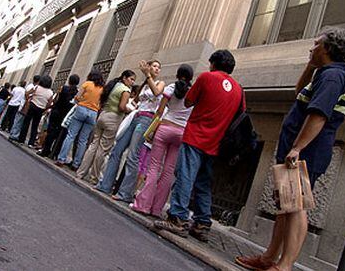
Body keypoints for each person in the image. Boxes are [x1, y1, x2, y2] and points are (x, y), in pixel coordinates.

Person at [235, 27, 345, 271]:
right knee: (285, 206)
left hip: (307, 151)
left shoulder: (332, 76)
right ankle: (269, 259)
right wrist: (310, 67)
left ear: (328, 49)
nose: (311, 48)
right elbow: (299, 93)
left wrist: (297, 147)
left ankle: (285, 265)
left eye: (316, 44)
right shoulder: (324, 74)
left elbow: (318, 115)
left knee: (295, 206)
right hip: (298, 149)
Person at [154, 50, 243, 242]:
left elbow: (188, 101)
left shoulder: (206, 77)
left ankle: (177, 218)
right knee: (203, 182)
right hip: (216, 142)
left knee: (185, 175)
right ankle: (202, 223)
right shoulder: (238, 89)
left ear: (213, 64)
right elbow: (239, 114)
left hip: (195, 135)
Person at [96, 60, 166, 203]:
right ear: (148, 67)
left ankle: (125, 193)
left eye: (159, 67)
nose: (157, 69)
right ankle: (105, 185)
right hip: (136, 117)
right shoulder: (143, 86)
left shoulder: (160, 83)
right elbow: (134, 102)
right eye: (154, 66)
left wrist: (148, 75)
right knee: (117, 149)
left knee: (133, 155)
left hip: (146, 119)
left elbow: (157, 93)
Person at [132, 64, 194, 218]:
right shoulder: (193, 92)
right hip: (181, 133)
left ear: (178, 74)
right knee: (168, 172)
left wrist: (152, 130)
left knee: (154, 167)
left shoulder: (171, 88)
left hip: (165, 128)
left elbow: (160, 112)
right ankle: (156, 209)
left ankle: (143, 205)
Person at [77, 70, 136, 184]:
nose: (132, 82)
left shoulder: (114, 86)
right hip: (113, 119)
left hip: (103, 115)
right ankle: (94, 177)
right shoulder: (125, 90)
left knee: (93, 145)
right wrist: (129, 110)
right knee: (103, 149)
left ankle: (81, 172)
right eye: (131, 79)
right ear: (124, 78)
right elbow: (122, 107)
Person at [55, 70, 105, 170]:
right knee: (83, 140)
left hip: (81, 109)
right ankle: (76, 164)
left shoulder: (87, 84)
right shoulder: (102, 89)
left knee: (71, 135)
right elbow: (101, 103)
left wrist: (82, 101)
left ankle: (61, 159)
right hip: (93, 113)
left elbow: (77, 97)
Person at [37, 74, 80, 157]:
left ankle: (45, 150)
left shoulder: (63, 88)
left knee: (50, 132)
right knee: (61, 136)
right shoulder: (77, 92)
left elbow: (56, 99)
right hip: (66, 116)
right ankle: (55, 153)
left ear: (69, 81)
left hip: (57, 112)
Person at [18, 75, 54, 147]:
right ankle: (31, 142)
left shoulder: (37, 87)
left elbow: (27, 93)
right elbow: (49, 103)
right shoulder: (50, 92)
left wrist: (29, 99)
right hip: (40, 109)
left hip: (32, 105)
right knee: (35, 125)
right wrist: (45, 108)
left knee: (26, 122)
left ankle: (21, 139)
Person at [9, 75, 41, 140]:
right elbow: (26, 94)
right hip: (24, 105)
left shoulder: (30, 86)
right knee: (19, 121)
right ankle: (14, 134)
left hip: (23, 104)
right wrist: (27, 101)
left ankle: (13, 133)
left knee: (18, 120)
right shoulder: (32, 87)